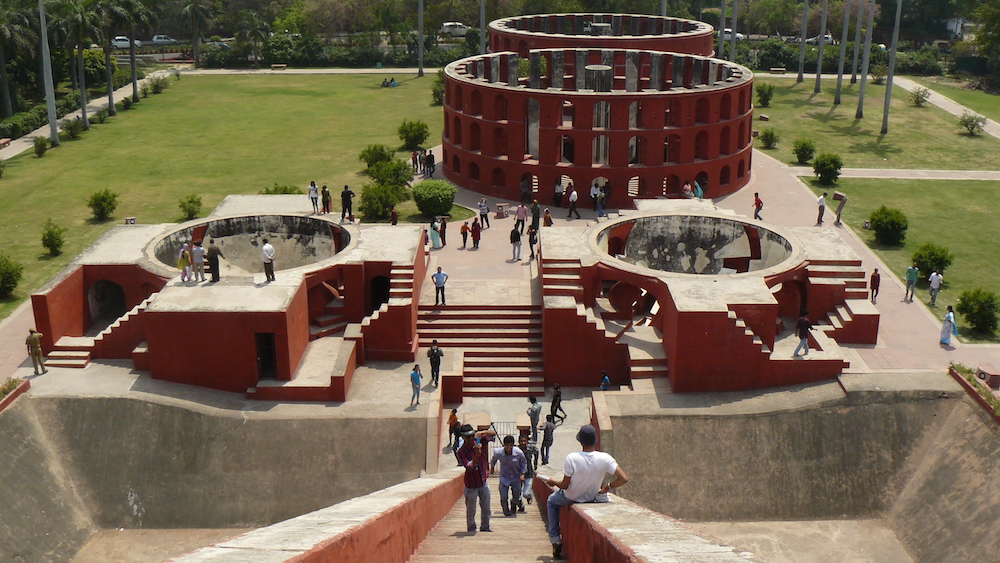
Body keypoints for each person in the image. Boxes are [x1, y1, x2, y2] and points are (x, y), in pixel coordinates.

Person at [544, 424, 629, 560]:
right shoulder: (605, 458)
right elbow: (624, 478)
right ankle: (555, 539)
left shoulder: (572, 457)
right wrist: (607, 487)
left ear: (581, 441)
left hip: (571, 496)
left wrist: (553, 482)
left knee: (551, 502)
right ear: (594, 440)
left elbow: (565, 485)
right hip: (591, 496)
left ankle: (555, 539)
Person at [456, 424, 496, 533]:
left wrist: (483, 432)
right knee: (471, 510)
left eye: (472, 436)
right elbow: (469, 466)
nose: (471, 438)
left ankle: (485, 527)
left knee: (486, 508)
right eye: (468, 437)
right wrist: (476, 456)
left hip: (483, 480)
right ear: (463, 437)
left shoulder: (480, 441)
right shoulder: (461, 452)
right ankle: (471, 529)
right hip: (471, 484)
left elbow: (493, 434)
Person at [491, 435, 528, 517]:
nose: (508, 448)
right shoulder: (498, 452)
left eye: (511, 445)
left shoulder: (518, 453)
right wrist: (492, 467)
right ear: (504, 445)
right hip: (504, 477)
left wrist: (522, 474)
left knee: (516, 495)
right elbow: (493, 459)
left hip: (516, 477)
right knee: (503, 496)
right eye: (507, 445)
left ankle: (514, 504)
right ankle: (506, 511)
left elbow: (523, 463)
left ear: (513, 445)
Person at [519, 435, 538, 506]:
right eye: (521, 441)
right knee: (517, 493)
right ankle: (521, 506)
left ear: (527, 442)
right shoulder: (516, 450)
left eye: (525, 441)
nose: (523, 443)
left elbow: (537, 452)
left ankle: (529, 496)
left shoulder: (530, 449)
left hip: (529, 473)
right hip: (519, 474)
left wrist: (535, 463)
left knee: (525, 493)